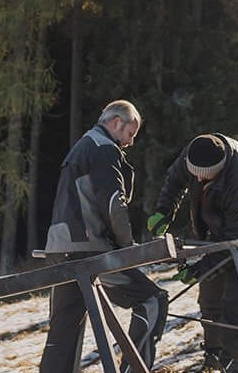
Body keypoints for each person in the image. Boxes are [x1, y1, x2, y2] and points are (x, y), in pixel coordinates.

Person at [39, 101, 166, 373]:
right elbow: (113, 203)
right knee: (152, 300)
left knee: (65, 326)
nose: (130, 142)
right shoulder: (103, 148)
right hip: (88, 250)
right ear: (117, 123)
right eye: (130, 134)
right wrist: (127, 247)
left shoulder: (83, 145)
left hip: (60, 247)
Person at [147, 135, 238, 373]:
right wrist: (164, 211)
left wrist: (200, 268)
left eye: (205, 174)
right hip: (222, 228)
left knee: (235, 299)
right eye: (195, 172)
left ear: (220, 168)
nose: (198, 178)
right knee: (210, 296)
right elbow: (175, 179)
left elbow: (235, 240)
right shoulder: (196, 151)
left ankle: (236, 363)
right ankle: (213, 355)